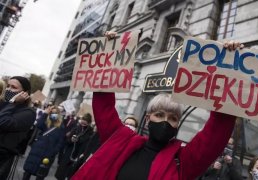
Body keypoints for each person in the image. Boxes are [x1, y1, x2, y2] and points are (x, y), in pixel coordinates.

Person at [71, 32, 243, 180]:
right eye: (159, 115)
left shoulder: (183, 161)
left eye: (173, 118)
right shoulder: (120, 140)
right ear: (147, 119)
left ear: (177, 126)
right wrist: (110, 49)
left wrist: (226, 65)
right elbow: (104, 108)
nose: (165, 121)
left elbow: (215, 134)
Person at [0, 76, 36, 179]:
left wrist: (13, 102)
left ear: (24, 93)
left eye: (13, 87)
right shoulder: (4, 104)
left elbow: (2, 121)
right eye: (8, 86)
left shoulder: (28, 113)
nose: (8, 89)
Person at [23, 105, 65, 180]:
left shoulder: (61, 127)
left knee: (40, 175)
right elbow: (39, 125)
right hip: (37, 150)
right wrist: (45, 114)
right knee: (27, 172)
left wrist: (53, 152)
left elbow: (60, 142)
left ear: (58, 115)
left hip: (48, 154)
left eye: (55, 113)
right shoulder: (46, 122)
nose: (53, 115)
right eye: (52, 113)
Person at [55, 113, 93, 180]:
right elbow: (67, 141)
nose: (83, 122)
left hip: (79, 155)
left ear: (89, 122)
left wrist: (82, 154)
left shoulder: (90, 133)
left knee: (71, 174)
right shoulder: (76, 128)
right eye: (83, 120)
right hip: (69, 153)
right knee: (62, 174)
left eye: (86, 121)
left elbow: (88, 145)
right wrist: (71, 140)